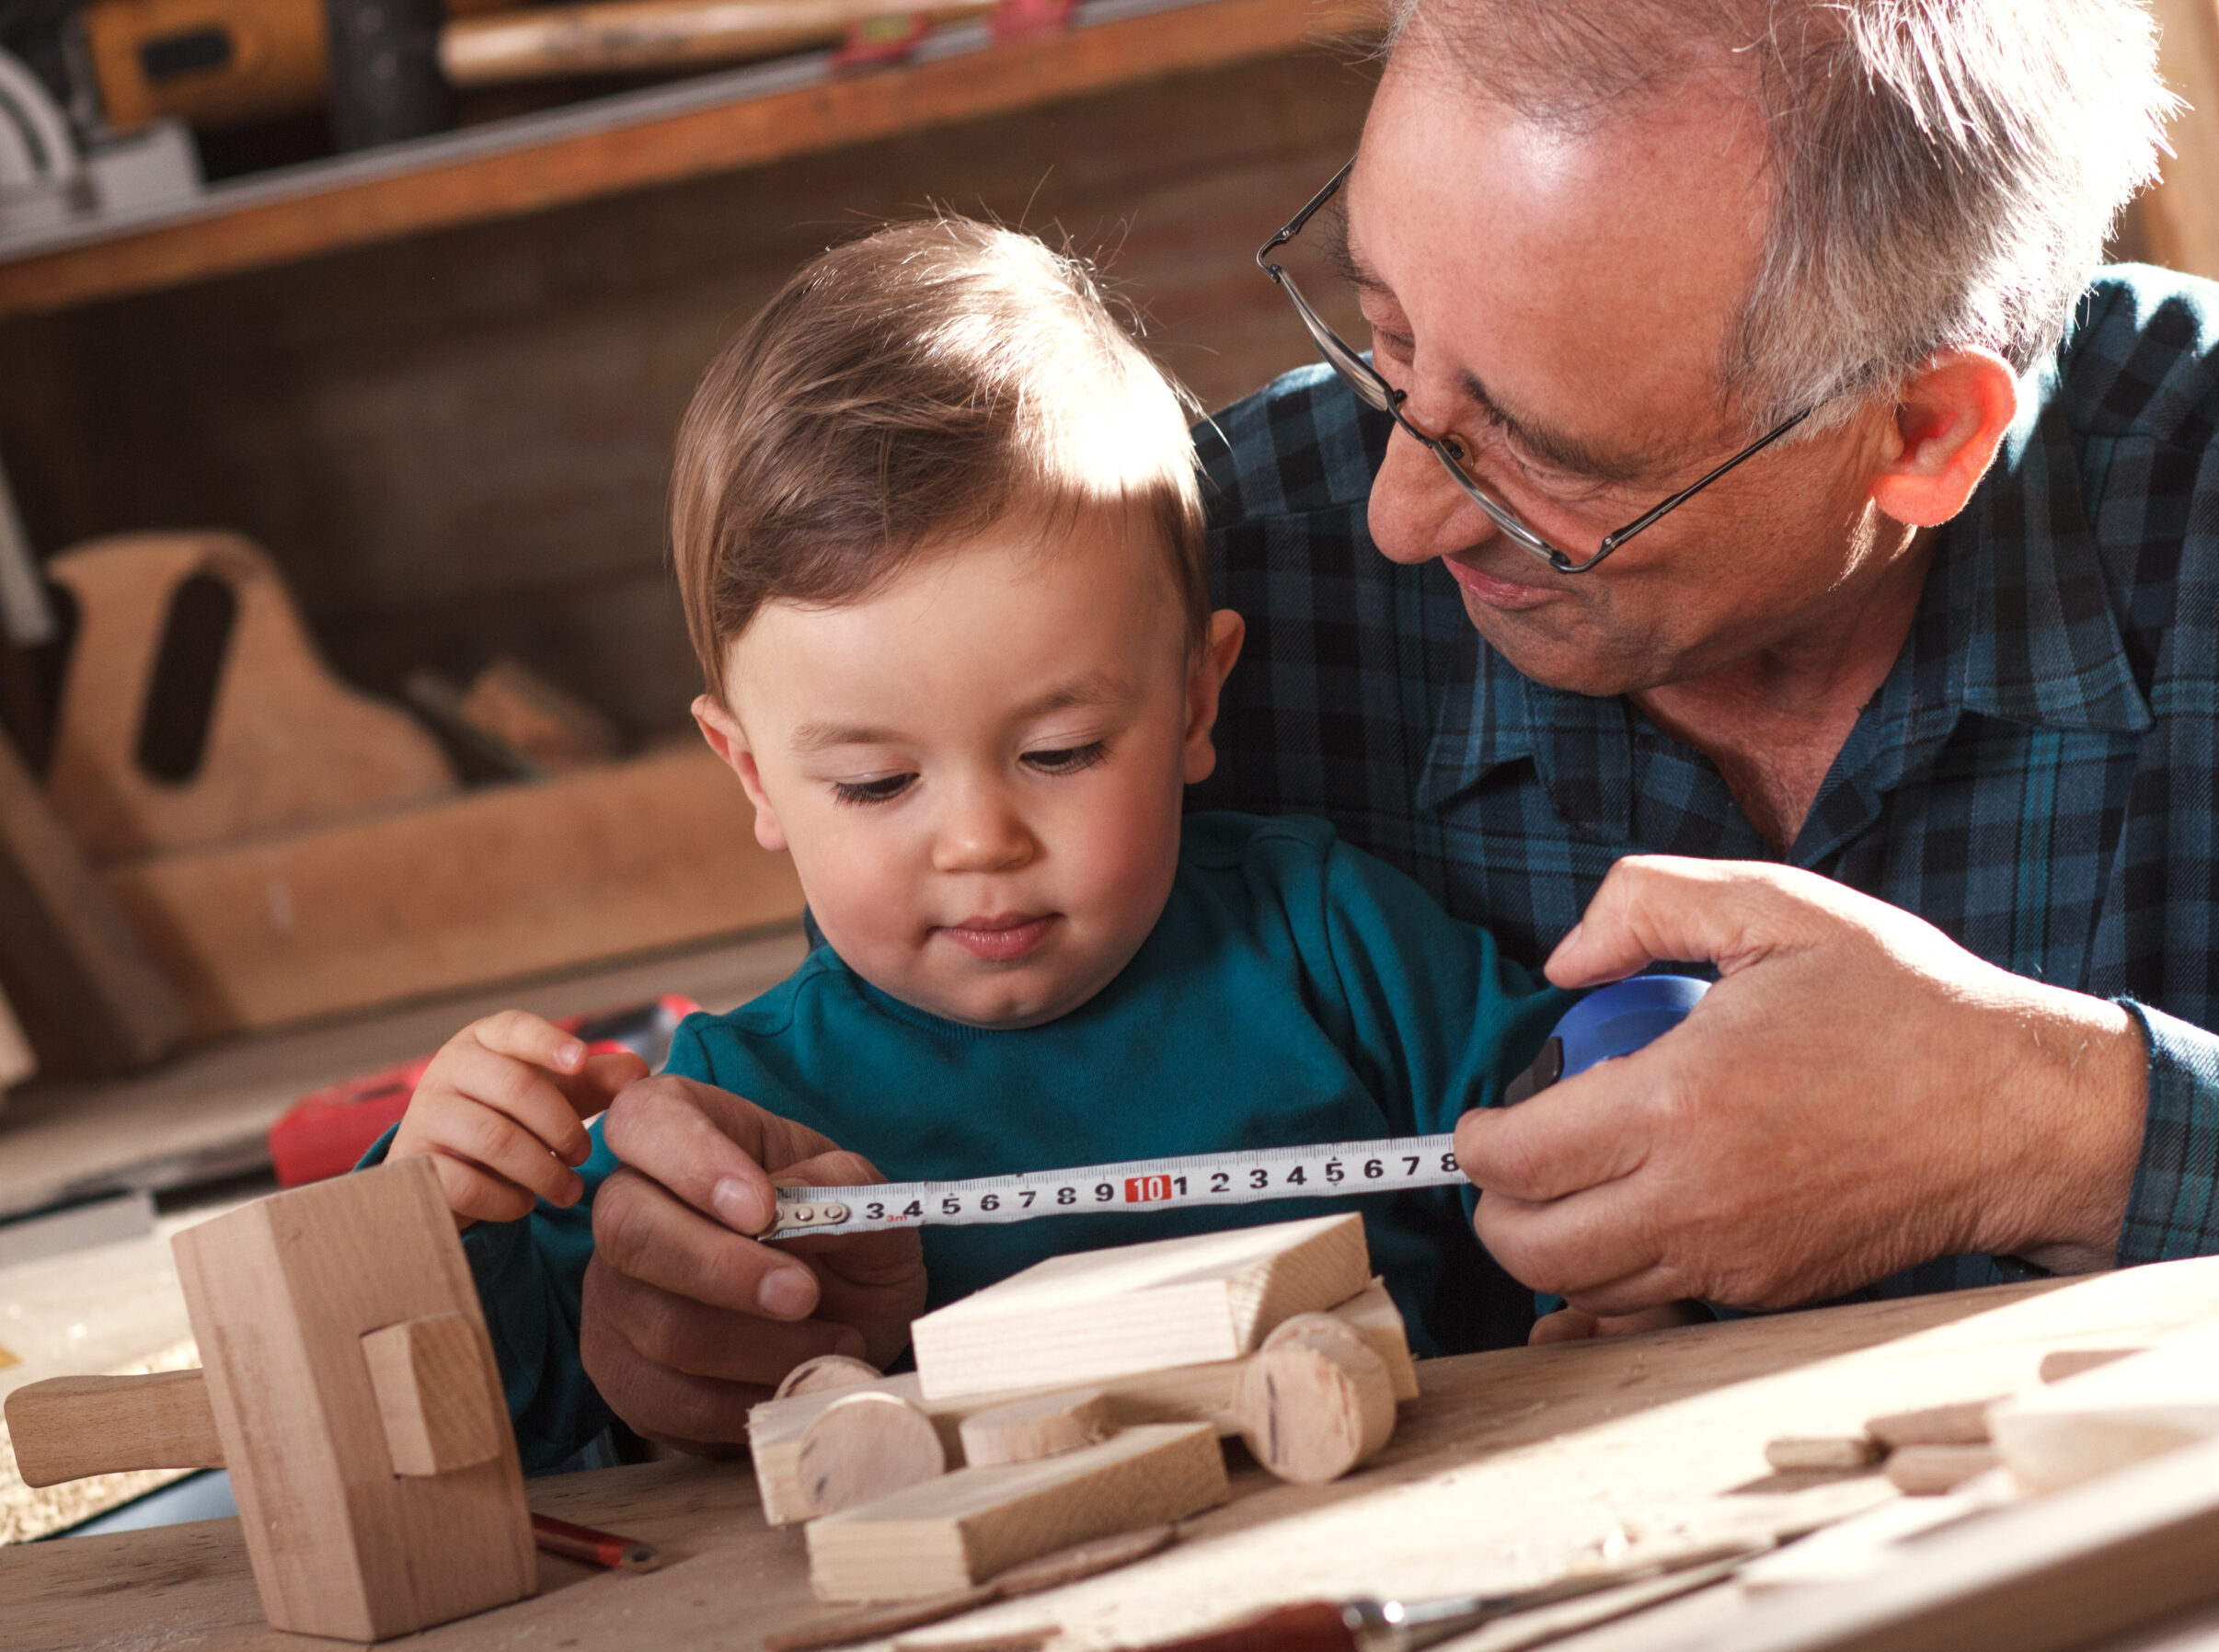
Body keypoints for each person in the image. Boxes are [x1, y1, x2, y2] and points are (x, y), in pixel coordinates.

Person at [574, 0, 2219, 1451]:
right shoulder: (1189, 573)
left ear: (1917, 440)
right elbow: (911, 1024)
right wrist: (710, 1293)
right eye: (1379, 337)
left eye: (1538, 460)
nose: (1397, 519)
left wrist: (2054, 1123)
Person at [378, 216, 1580, 1466]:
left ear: (1195, 702)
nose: (980, 840)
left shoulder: (1336, 940)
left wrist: (1599, 1294)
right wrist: (450, 1208)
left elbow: (1575, 1142)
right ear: (754, 773)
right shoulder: (726, 1120)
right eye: (876, 780)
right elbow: (502, 1429)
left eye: (1058, 753)